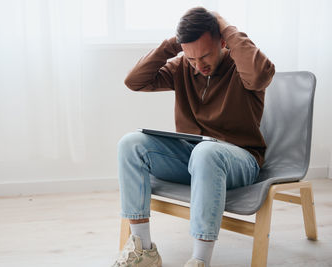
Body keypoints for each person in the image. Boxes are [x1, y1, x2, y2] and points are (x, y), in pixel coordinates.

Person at [113, 7, 275, 267]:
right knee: (130, 144)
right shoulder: (183, 68)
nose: (199, 66)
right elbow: (135, 81)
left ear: (223, 42)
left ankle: (200, 260)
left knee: (206, 152)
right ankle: (144, 251)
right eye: (191, 58)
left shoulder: (243, 67)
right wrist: (172, 46)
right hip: (192, 158)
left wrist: (226, 26)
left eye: (206, 55)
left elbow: (260, 75)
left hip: (240, 160)